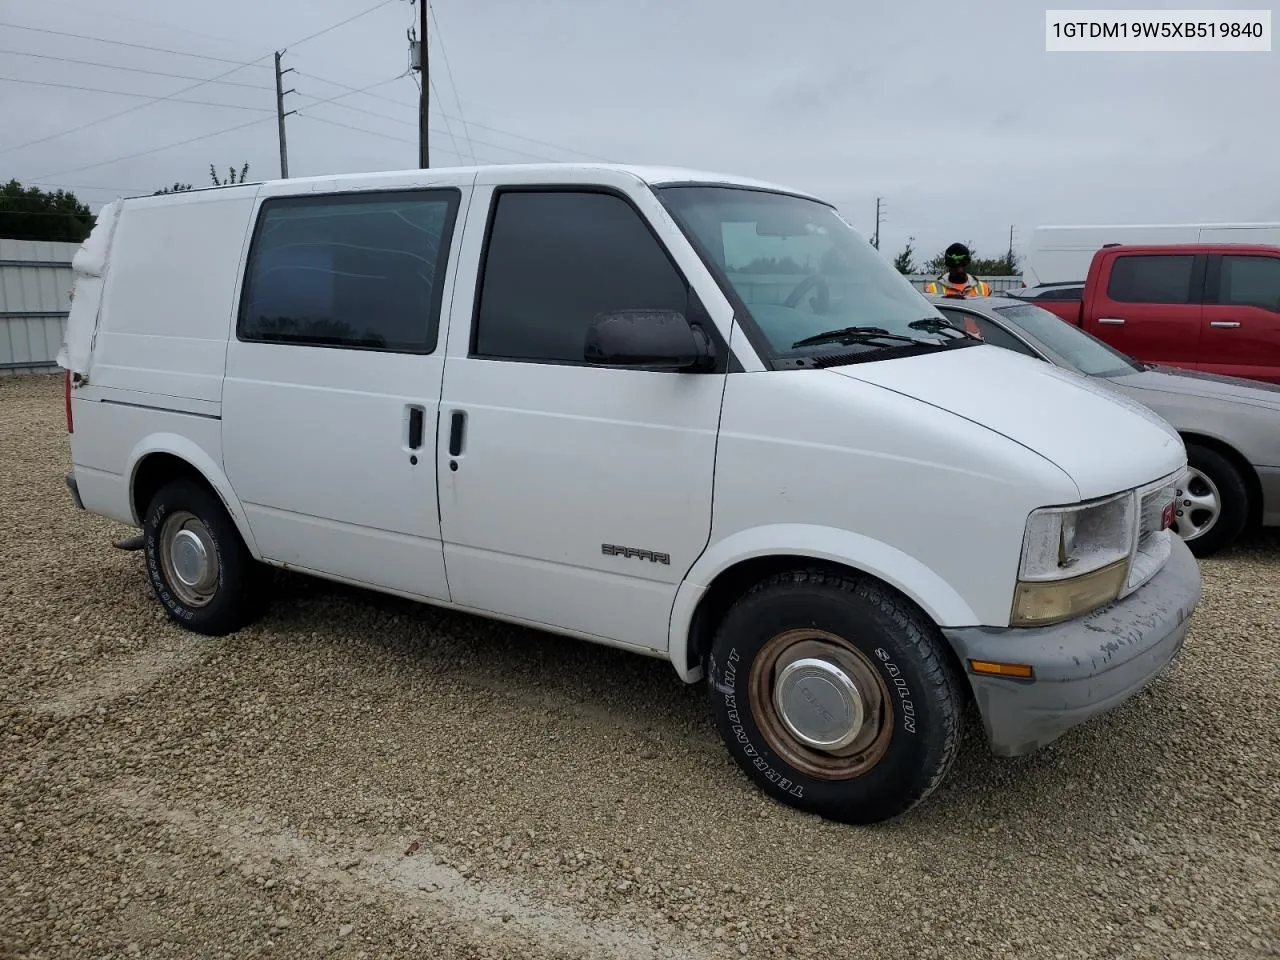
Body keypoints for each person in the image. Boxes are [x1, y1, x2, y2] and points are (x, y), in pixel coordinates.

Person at [924, 243, 992, 298]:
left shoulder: (984, 289)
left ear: (968, 264)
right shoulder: (931, 290)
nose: (959, 270)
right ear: (948, 265)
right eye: (954, 266)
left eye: (962, 264)